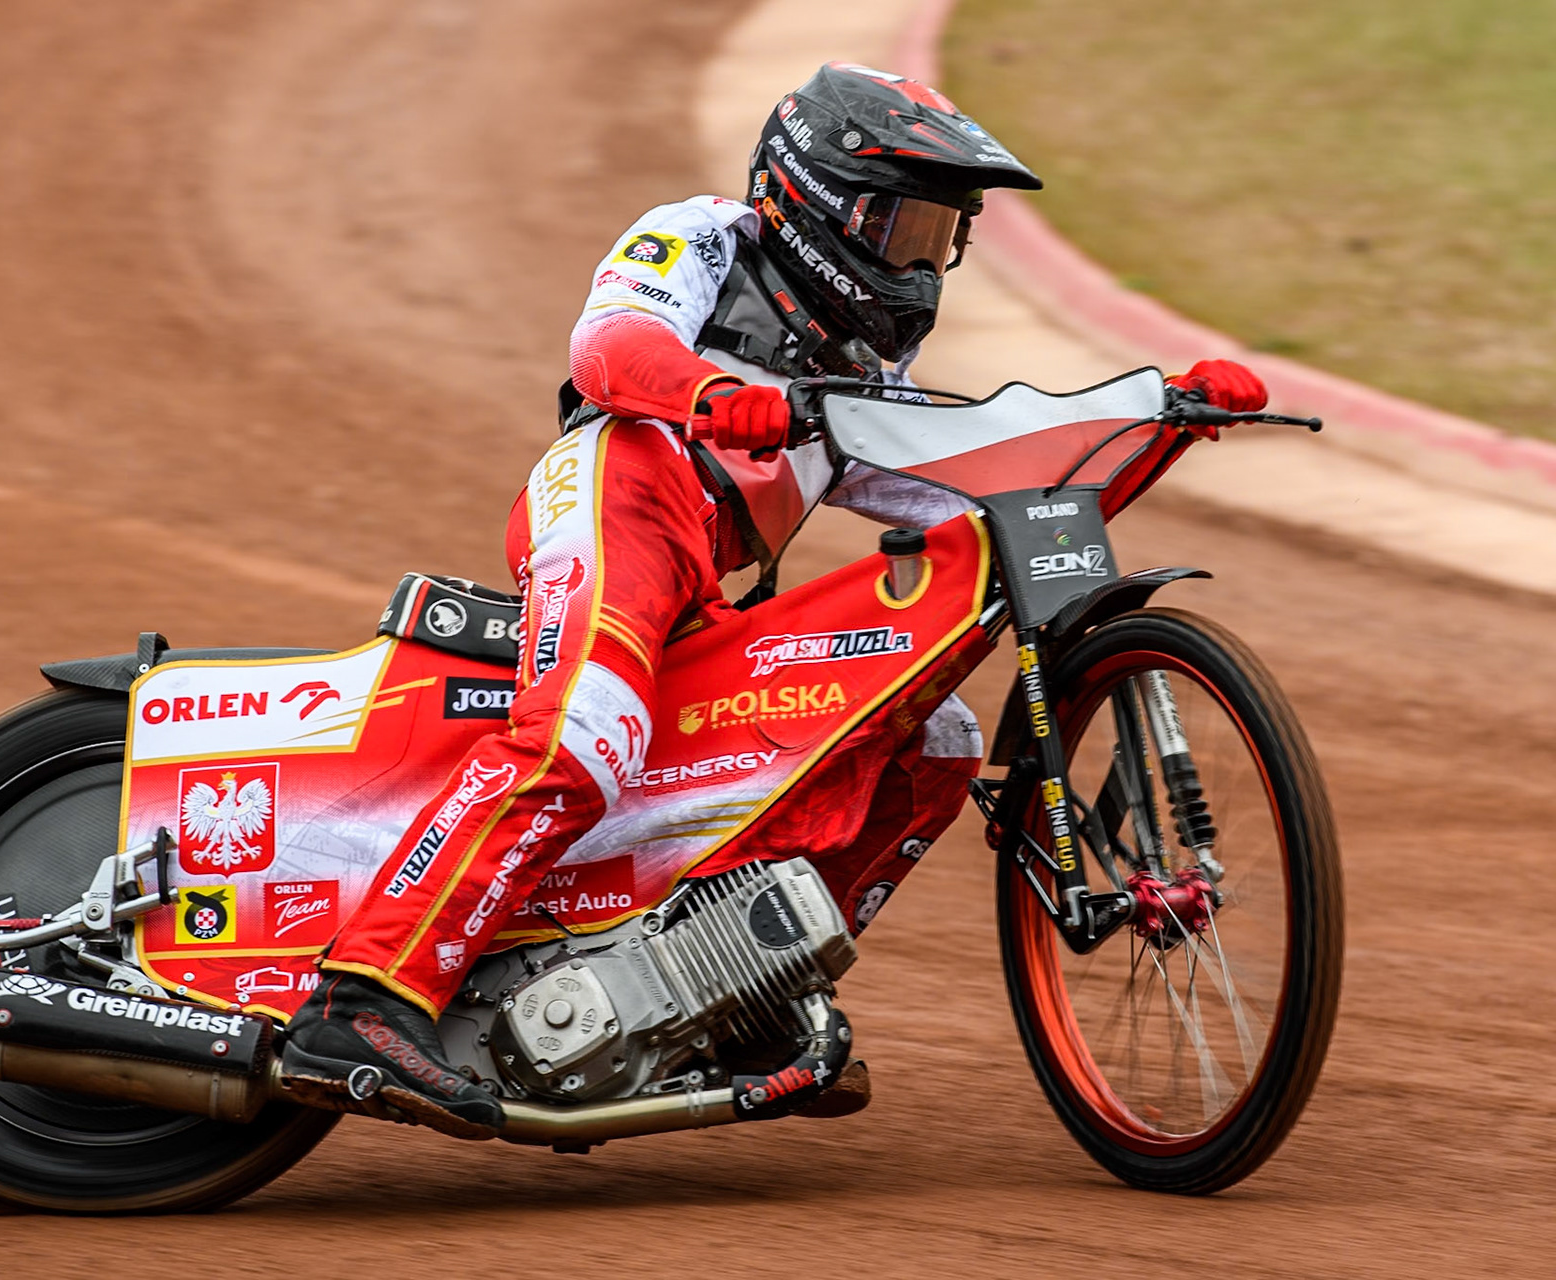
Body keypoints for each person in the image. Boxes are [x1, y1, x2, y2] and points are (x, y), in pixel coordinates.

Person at [280, 62, 1268, 1138]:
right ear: (821, 199)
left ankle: (741, 990)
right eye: (907, 229)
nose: (925, 265)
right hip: (617, 500)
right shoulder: (701, 236)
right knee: (587, 735)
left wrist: (1157, 417)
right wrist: (715, 396)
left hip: (707, 577)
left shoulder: (863, 366)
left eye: (945, 237)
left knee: (932, 733)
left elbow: (957, 485)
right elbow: (608, 349)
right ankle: (361, 1000)